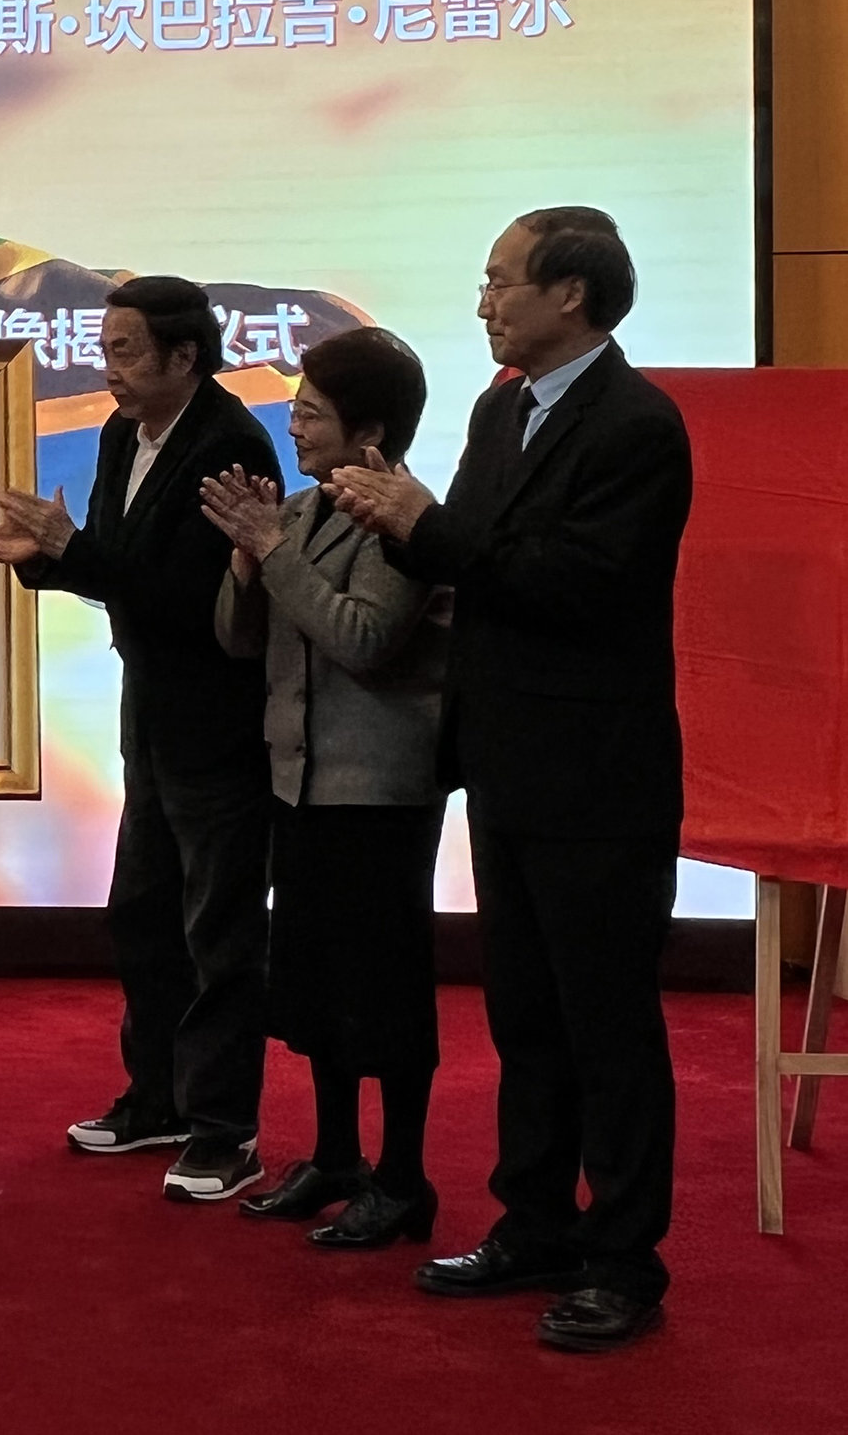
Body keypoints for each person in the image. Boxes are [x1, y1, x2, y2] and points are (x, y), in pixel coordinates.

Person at [331, 207, 691, 1354]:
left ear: (569, 295)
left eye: (500, 280)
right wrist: (393, 524)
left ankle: (623, 1261)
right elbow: (476, 565)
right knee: (526, 1019)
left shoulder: (637, 424)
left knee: (606, 1028)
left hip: (598, 777)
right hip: (504, 761)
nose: (483, 301)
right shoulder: (500, 407)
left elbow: (573, 586)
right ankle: (532, 1226)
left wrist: (427, 528)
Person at [0, 275, 283, 1202]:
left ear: (185, 355)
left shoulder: (229, 444)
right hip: (147, 709)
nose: (106, 367)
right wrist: (47, 559)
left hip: (220, 719)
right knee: (143, 914)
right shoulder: (120, 432)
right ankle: (158, 1098)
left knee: (219, 930)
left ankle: (225, 1130)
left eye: (125, 351)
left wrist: (73, 551)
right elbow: (118, 569)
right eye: (104, 348)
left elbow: (192, 597)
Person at [201, 329, 449, 1250]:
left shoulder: (404, 521)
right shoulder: (300, 511)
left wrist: (273, 550)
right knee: (312, 985)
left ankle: (403, 1176)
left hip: (377, 790)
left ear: (369, 430)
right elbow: (237, 640)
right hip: (296, 780)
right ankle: (335, 1154)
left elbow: (361, 638)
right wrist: (246, 561)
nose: (293, 423)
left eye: (311, 411)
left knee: (384, 988)